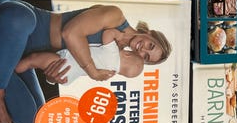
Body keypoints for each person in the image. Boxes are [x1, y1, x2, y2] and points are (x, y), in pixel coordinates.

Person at [0, 0, 171, 123]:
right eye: (150, 45)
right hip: (20, 19)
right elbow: (70, 33)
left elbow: (63, 64)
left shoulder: (116, 57)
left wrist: (52, 77)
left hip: (25, 53)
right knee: (21, 20)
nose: (142, 51)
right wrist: (93, 71)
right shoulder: (115, 16)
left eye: (146, 57)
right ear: (150, 33)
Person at [15, 27, 145, 85]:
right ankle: (16, 68)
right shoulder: (110, 73)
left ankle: (12, 68)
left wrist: (119, 35)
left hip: (63, 63)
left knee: (32, 59)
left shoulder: (113, 54)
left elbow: (108, 34)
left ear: (127, 54)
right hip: (68, 75)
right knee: (33, 62)